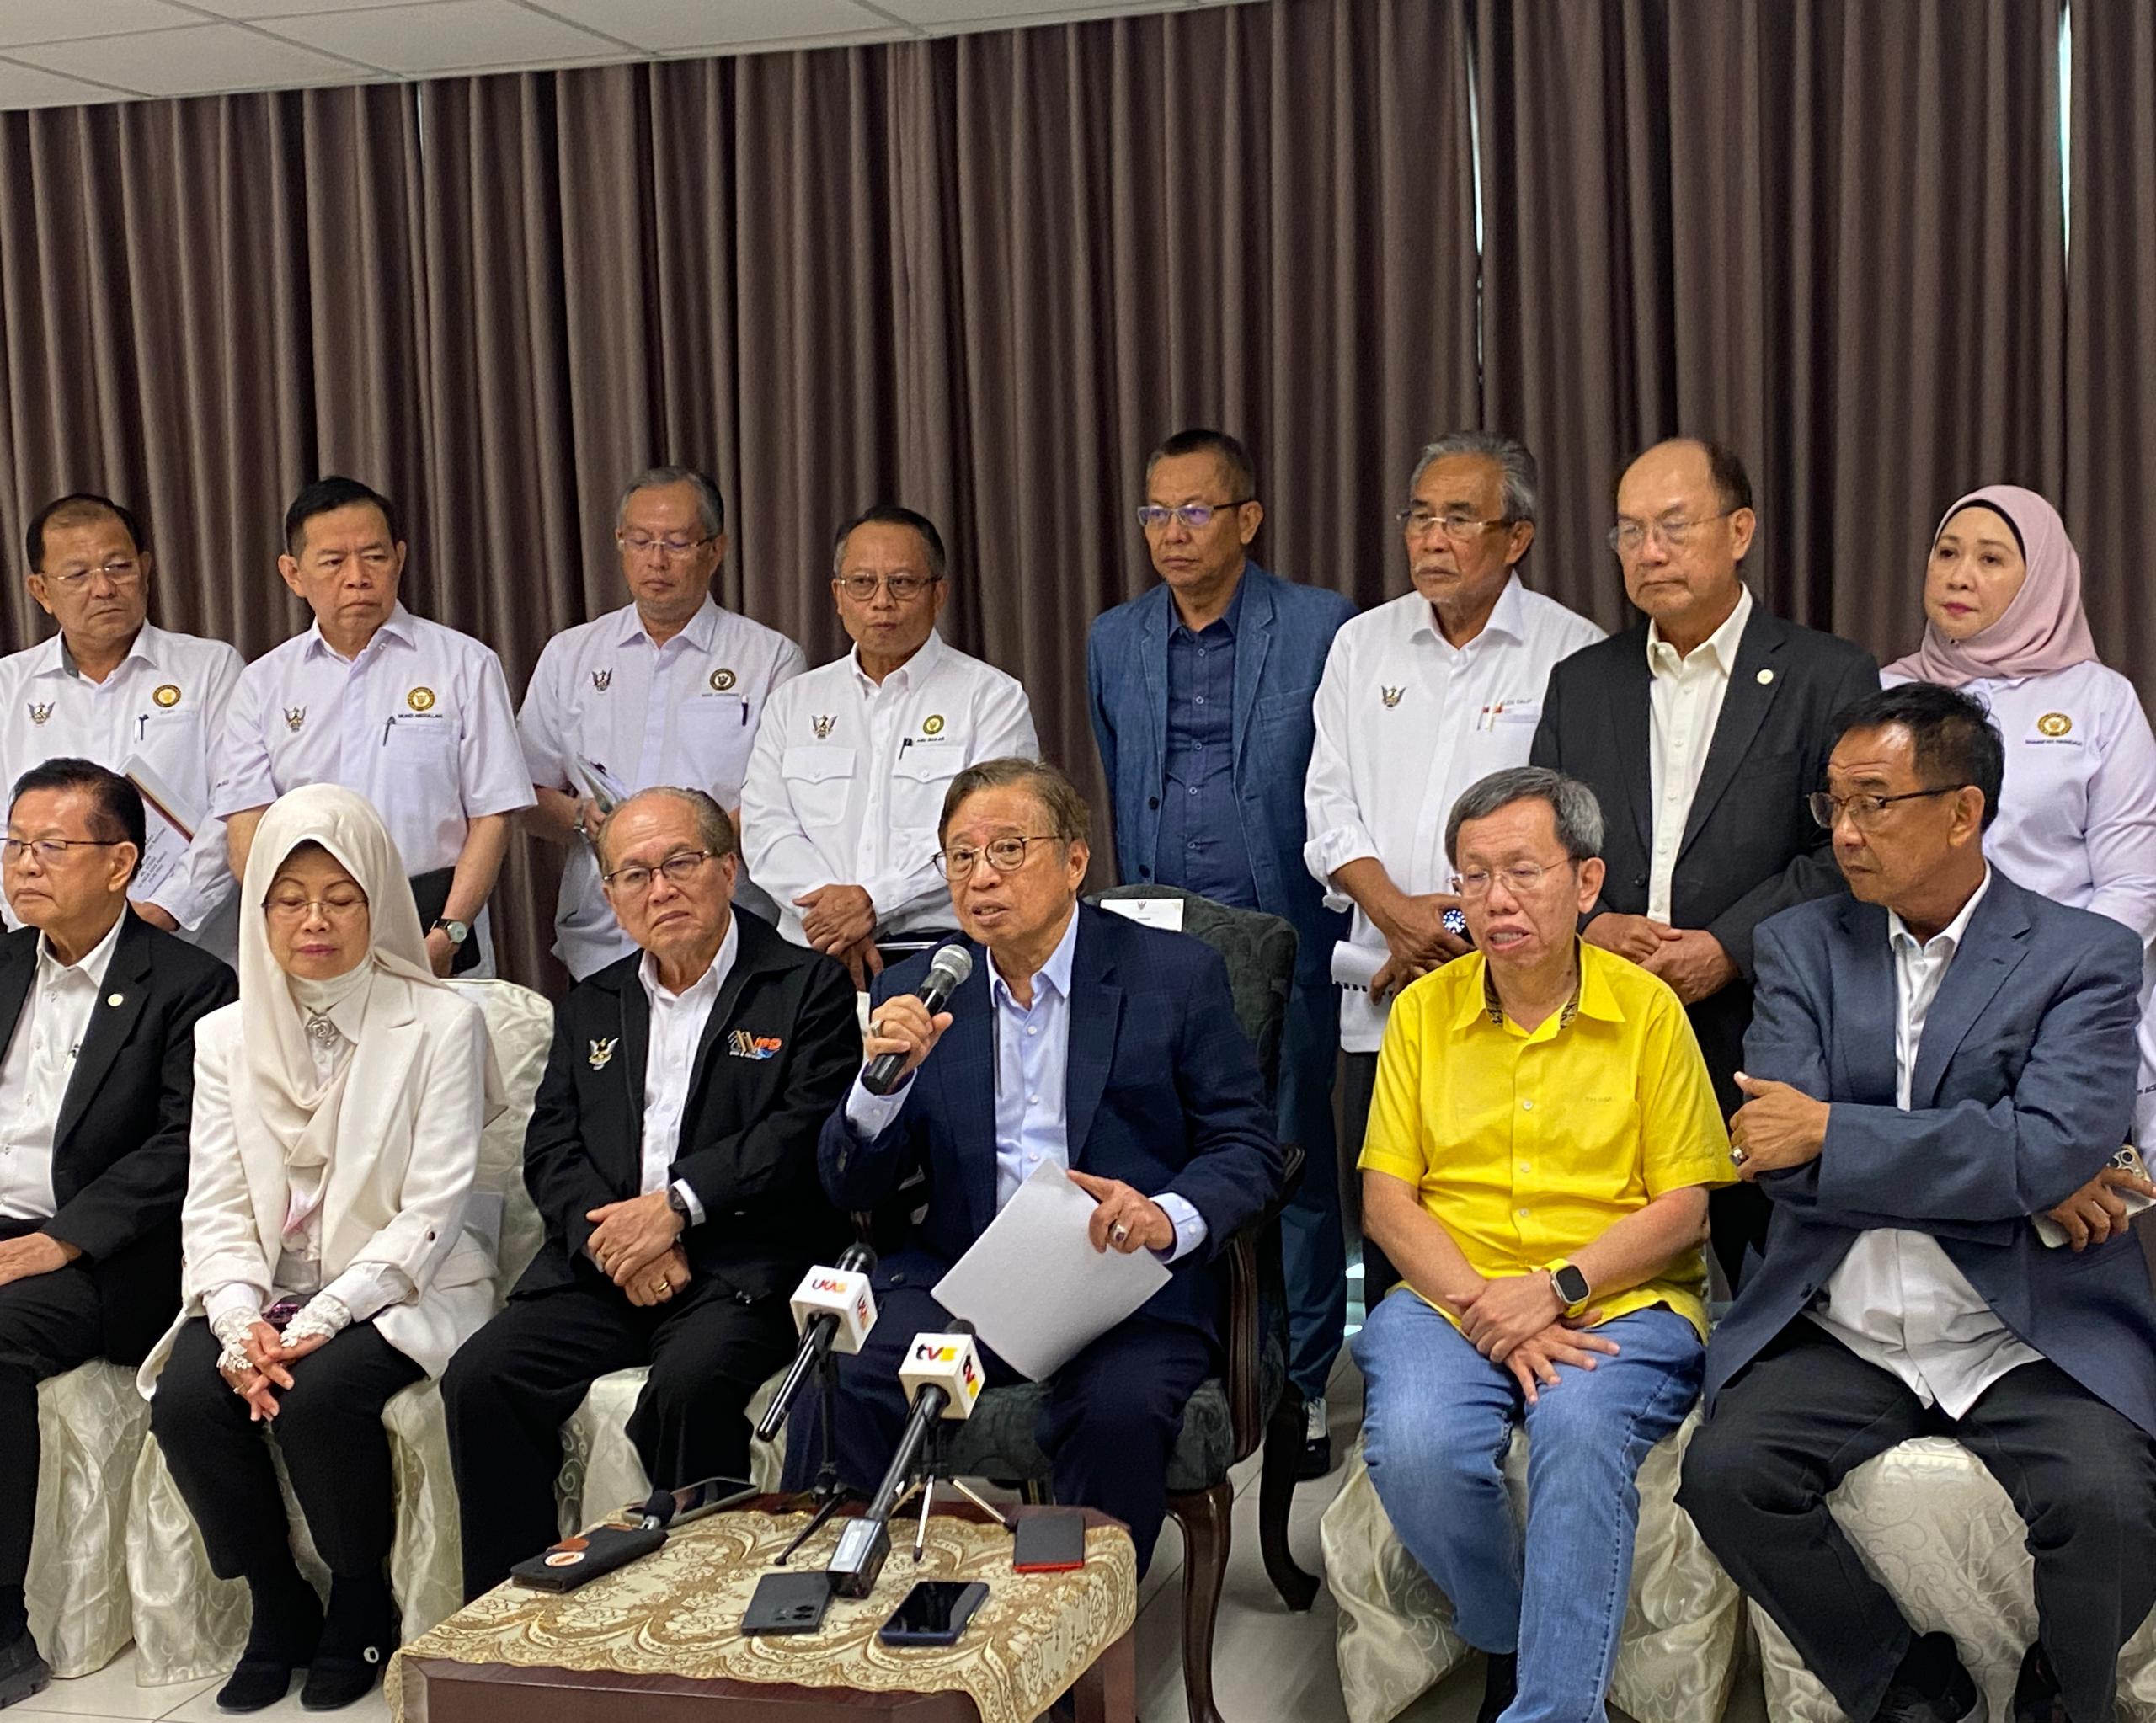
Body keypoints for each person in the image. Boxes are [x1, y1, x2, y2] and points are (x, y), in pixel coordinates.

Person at [1677, 684, 2156, 1723]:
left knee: (2114, 1505)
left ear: (1962, 811)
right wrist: (2014, 1174)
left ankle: (2063, 1694)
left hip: (2021, 1329)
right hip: (1845, 1325)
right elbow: (1776, 1156)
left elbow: (2055, 1143)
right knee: (1725, 1474)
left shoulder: (2083, 956)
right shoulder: (1800, 945)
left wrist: (1837, 1131)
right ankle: (1904, 1685)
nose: (1845, 832)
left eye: (1874, 802)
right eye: (1834, 804)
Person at [786, 757, 1282, 1571]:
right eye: (960, 856)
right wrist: (880, 1089)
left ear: (1075, 861)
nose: (981, 878)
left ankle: (1075, 1632)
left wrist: (1165, 1217)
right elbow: (850, 1185)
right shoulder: (921, 988)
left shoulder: (1173, 975)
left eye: (1009, 850)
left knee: (1114, 1413)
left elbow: (1247, 1146)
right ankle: (842, 1605)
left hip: (1121, 1285)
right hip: (965, 1278)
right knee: (844, 1379)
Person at [1354, 766, 1729, 1723]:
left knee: (1579, 1429)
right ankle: (1510, 1631)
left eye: (1522, 872)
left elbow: (1686, 1207)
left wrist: (1554, 1288)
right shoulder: (1423, 1012)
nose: (1494, 901)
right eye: (1473, 877)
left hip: (1619, 1296)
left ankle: (1553, 1708)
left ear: (1586, 881)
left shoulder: (1647, 1011)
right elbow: (1387, 1204)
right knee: (1418, 1445)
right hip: (1451, 1292)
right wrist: (1491, 1308)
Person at [444, 787, 859, 1599]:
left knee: (692, 1388)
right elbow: (551, 1150)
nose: (659, 890)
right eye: (634, 875)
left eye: (680, 863)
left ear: (729, 869)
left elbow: (798, 1132)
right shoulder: (593, 1003)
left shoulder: (804, 986)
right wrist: (619, 1246)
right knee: (482, 1378)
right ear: (610, 896)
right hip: (607, 1266)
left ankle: (695, 1609)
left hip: (740, 1263)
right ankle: (513, 1621)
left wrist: (674, 1210)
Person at [141, 784, 501, 1714]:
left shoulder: (442, 1022)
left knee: (321, 1395)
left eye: (341, 899)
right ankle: (277, 1601)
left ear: (378, 902)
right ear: (259, 909)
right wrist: (238, 1326)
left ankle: (359, 1595)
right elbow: (216, 1201)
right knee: (188, 1399)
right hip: (263, 1288)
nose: (314, 921)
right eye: (290, 899)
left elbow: (433, 1206)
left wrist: (328, 1314)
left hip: (402, 1282)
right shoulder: (223, 1035)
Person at [1530, 437, 1879, 1283]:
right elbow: (1544, 839)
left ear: (1740, 531)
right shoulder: (1583, 682)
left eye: (1674, 527)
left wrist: (1727, 947)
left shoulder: (1826, 675)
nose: (1649, 552)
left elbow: (1845, 849)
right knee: (1607, 1276)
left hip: (1763, 1025)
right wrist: (1590, 922)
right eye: (1629, 531)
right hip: (1604, 1023)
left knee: (1771, 1282)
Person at [1087, 427, 1358, 1474]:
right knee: (1168, 1158)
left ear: (1248, 518)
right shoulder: (1114, 638)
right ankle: (1199, 1365)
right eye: (1155, 513)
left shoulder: (1322, 626)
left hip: (1287, 936)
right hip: (1161, 945)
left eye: (1194, 511)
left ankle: (1302, 1388)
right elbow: (1120, 779)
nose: (1171, 532)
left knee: (1290, 1159)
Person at [1306, 433, 1603, 1302]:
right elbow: (1327, 802)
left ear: (1517, 538)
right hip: (1382, 986)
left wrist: (1451, 929)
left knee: (1513, 1213)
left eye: (1460, 520)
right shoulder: (1361, 644)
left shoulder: (1573, 653)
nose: (1432, 539)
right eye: (1420, 517)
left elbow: (1573, 831)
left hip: (1514, 992)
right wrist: (1398, 916)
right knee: (1392, 1229)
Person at [0, 760, 235, 1712]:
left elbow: (186, 1142)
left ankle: (4, 1627)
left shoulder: (190, 985)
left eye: (51, 846)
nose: (25, 865)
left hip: (109, 1257)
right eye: (16, 845)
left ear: (120, 863)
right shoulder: (3, 966)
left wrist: (68, 1238)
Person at [1886, 483, 2156, 1174]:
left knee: (2066, 1205)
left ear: (2042, 580)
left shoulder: (2099, 699)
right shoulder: (1885, 694)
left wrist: (2054, 985)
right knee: (1924, 1187)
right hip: (1911, 997)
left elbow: (2133, 883)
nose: (1959, 576)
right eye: (1947, 553)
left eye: (1991, 559)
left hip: (2061, 1005)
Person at [212, 477, 533, 977]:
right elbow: (246, 826)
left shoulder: (465, 665)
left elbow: (493, 816)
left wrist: (448, 933)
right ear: (293, 574)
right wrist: (288, 924)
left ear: (399, 559)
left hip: (434, 926)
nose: (357, 577)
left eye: (375, 557)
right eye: (333, 561)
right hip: (310, 938)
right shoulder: (262, 683)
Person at [518, 467, 807, 978]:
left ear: (714, 550)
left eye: (676, 543)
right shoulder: (570, 655)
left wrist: (686, 853)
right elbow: (525, 791)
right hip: (603, 936)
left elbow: (785, 800)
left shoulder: (770, 659)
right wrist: (581, 816)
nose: (656, 560)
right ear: (619, 543)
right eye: (640, 541)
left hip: (731, 929)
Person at [739, 506, 1038, 986]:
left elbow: (992, 834)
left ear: (938, 594)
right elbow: (765, 828)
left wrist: (872, 901)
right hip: (812, 952)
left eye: (902, 583)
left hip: (940, 953)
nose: (882, 601)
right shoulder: (794, 702)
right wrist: (833, 912)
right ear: (838, 595)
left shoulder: (991, 698)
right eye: (862, 583)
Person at [0, 493, 244, 959]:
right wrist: (38, 922)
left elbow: (234, 807)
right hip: (53, 950)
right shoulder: (7, 687)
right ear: (41, 591)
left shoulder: (210, 669)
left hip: (190, 946)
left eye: (119, 567)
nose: (103, 588)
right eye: (78, 575)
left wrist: (167, 908)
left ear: (146, 569)